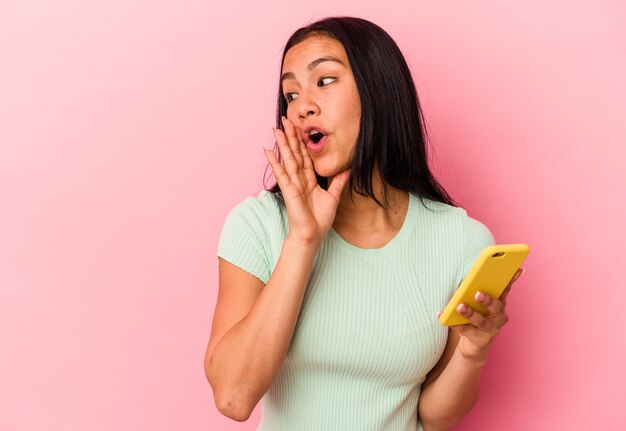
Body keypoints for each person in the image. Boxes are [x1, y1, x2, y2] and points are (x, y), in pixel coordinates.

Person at [204, 16, 524, 431]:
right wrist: (303, 239)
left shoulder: (460, 240)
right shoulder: (257, 225)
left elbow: (434, 418)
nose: (302, 106)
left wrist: (473, 351)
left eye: (324, 81)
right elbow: (233, 396)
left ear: (378, 92)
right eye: (290, 94)